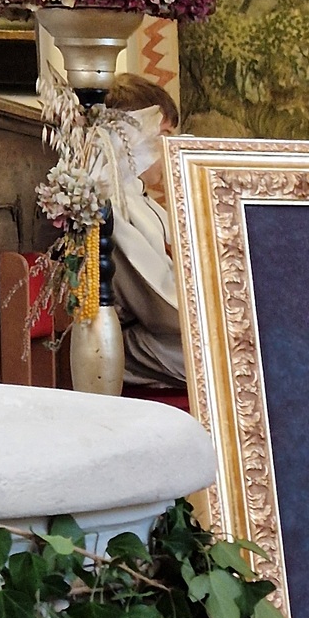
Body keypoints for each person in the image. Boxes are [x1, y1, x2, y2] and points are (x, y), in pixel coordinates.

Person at [102, 74, 185, 388]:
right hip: (130, 345)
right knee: (238, 358)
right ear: (132, 136)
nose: (170, 150)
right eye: (163, 136)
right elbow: (162, 310)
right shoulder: (112, 204)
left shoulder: (140, 198)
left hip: (161, 331)